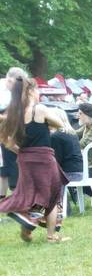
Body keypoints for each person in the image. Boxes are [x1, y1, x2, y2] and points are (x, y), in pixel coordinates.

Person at [0, 76, 68, 242]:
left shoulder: (13, 114)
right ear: (30, 91)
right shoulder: (40, 109)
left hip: (25, 159)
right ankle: (48, 234)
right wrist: (48, 126)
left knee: (31, 193)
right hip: (44, 158)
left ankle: (27, 225)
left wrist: (22, 152)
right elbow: (60, 124)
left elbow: (7, 142)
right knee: (52, 194)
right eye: (37, 89)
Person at [1, 67, 29, 198]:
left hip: (12, 130)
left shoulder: (20, 93)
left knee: (12, 163)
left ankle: (17, 196)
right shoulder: (4, 91)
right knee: (6, 166)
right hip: (7, 131)